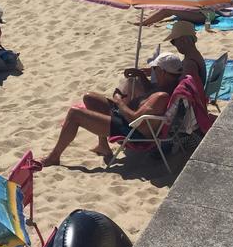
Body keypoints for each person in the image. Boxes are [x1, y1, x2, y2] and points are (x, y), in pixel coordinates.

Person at [38, 53, 183, 165]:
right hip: (124, 120)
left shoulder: (162, 96)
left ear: (163, 72)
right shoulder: (165, 86)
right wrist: (141, 76)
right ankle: (103, 146)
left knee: (75, 113)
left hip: (131, 131)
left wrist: (119, 101)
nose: (153, 72)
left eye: (155, 69)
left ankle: (54, 157)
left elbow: (135, 119)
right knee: (89, 98)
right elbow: (150, 93)